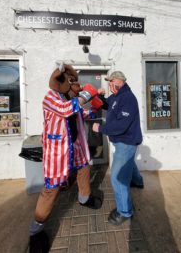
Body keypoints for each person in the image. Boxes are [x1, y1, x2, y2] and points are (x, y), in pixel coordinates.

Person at [29, 63, 102, 252]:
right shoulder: (50, 98)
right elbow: (65, 110)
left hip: (76, 145)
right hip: (57, 150)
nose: (76, 88)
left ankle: (84, 198)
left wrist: (95, 107)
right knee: (51, 190)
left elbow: (79, 112)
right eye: (74, 84)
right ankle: (36, 229)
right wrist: (88, 94)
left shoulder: (69, 98)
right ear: (64, 83)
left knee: (84, 170)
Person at [92, 70, 143, 226]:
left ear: (119, 81)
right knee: (130, 163)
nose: (109, 84)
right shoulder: (117, 96)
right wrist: (99, 96)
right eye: (108, 82)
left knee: (118, 178)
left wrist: (101, 129)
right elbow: (109, 104)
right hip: (123, 142)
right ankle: (138, 182)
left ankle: (125, 212)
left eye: (111, 81)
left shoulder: (128, 98)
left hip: (126, 143)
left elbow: (121, 125)